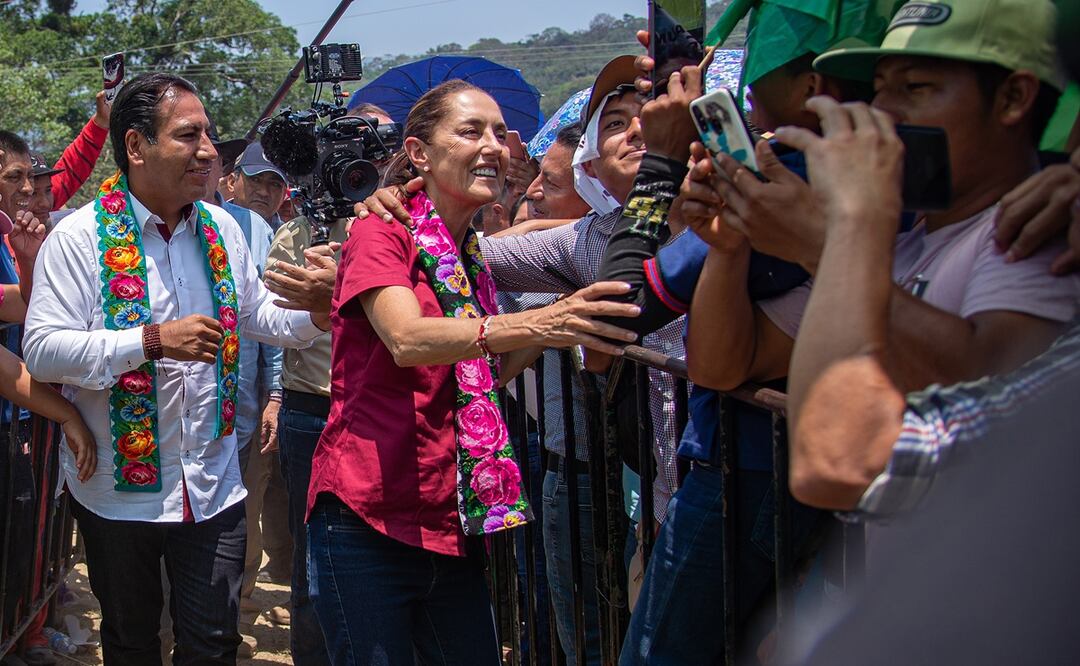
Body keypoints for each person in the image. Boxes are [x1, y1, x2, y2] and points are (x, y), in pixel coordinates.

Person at [355, 57, 688, 665]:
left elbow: (483, 366)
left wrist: (555, 318)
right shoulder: (399, 235)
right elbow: (406, 340)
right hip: (376, 505)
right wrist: (546, 322)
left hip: (702, 482)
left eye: (498, 132)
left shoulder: (731, 220)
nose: (493, 146)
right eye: (614, 122)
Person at [22, 72, 337, 665]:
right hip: (118, 492)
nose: (210, 151)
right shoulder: (79, 237)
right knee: (132, 641)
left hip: (213, 484)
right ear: (136, 146)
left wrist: (319, 314)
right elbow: (42, 349)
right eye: (189, 135)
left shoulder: (222, 230)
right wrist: (149, 341)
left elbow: (263, 319)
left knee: (214, 642)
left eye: (210, 136)